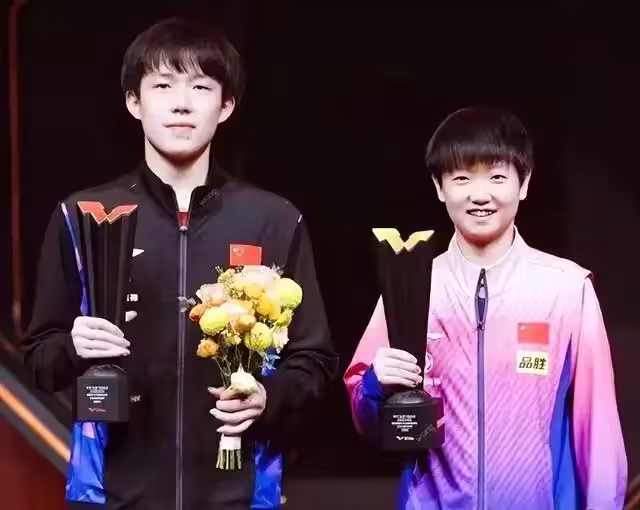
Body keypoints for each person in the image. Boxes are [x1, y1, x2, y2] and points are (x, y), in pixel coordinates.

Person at [22, 17, 337, 510]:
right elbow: (41, 358)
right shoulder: (83, 215)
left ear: (226, 105)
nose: (182, 103)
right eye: (163, 85)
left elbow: (314, 362)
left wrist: (268, 398)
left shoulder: (273, 220)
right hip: (109, 494)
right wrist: (73, 346)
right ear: (134, 101)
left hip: (240, 495)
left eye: (201, 86)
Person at [344, 107, 627, 509]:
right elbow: (367, 419)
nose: (480, 195)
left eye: (497, 177)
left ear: (524, 183)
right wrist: (376, 384)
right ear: (440, 187)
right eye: (462, 178)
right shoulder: (412, 286)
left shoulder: (566, 289)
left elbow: (597, 430)